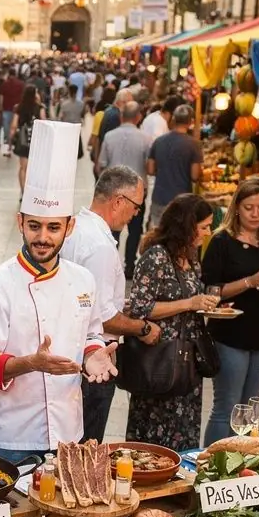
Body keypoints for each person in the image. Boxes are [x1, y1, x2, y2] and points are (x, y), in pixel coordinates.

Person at [0, 122, 115, 462]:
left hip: (68, 429)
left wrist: (94, 353)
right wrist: (30, 363)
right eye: (34, 226)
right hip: (12, 435)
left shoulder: (83, 280)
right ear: (20, 222)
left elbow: (92, 333)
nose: (43, 237)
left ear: (69, 227)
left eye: (53, 227)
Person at [62, 166, 161, 441]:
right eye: (136, 206)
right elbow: (103, 317)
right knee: (87, 445)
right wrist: (143, 328)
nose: (136, 214)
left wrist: (120, 304)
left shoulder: (75, 228)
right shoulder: (101, 246)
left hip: (72, 349)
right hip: (94, 359)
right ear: (118, 201)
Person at [126, 194, 217, 450]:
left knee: (184, 434)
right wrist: (189, 303)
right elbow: (140, 307)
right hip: (160, 362)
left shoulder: (191, 257)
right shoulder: (156, 257)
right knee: (152, 442)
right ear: (186, 225)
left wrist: (205, 304)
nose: (208, 233)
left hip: (187, 364)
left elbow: (192, 299)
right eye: (204, 226)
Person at [201, 177, 259, 445]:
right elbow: (210, 290)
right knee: (227, 407)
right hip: (230, 335)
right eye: (249, 207)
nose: (256, 214)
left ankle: (242, 463)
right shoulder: (221, 241)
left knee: (252, 408)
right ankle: (213, 462)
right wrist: (250, 281)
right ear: (237, 208)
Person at [97, 100, 151, 278]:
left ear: (121, 116)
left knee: (112, 229)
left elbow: (101, 164)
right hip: (137, 194)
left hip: (113, 192)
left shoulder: (109, 136)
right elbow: (150, 167)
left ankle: (110, 263)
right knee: (135, 230)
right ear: (138, 117)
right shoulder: (145, 139)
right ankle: (129, 265)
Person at [147, 104, 203, 227]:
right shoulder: (194, 144)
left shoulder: (159, 141)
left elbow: (150, 169)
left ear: (173, 119)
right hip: (181, 201)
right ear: (191, 122)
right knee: (178, 235)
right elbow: (195, 176)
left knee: (159, 233)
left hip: (159, 198)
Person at [10, 85, 46, 195]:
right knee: (35, 168)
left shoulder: (19, 107)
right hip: (36, 140)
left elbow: (14, 125)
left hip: (23, 140)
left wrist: (11, 139)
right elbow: (44, 123)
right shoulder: (40, 108)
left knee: (23, 168)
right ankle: (32, 192)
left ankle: (23, 192)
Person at [0, 65, 25, 153]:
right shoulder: (21, 84)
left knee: (7, 127)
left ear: (9, 74)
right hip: (17, 109)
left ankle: (9, 144)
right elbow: (23, 97)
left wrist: (0, 108)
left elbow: (1, 98)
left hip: (6, 108)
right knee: (16, 126)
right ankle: (15, 143)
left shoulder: (4, 84)